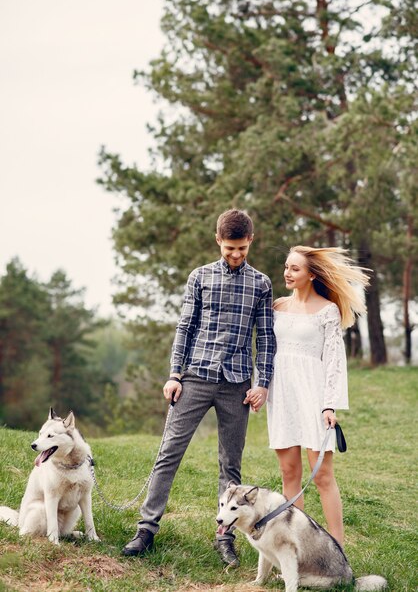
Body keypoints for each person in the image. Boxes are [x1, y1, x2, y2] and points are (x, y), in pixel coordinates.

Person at [123, 209, 275, 566]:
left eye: (241, 248)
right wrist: (174, 374)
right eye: (229, 249)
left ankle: (225, 537)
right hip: (195, 377)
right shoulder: (200, 277)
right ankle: (146, 529)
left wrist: (262, 383)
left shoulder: (262, 284)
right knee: (169, 453)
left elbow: (266, 337)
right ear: (218, 241)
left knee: (231, 466)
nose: (236, 255)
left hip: (236, 384)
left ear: (250, 240)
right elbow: (185, 328)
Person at [267, 245, 369, 547]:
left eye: (295, 268)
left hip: (313, 396)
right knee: (288, 473)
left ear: (311, 274)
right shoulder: (277, 306)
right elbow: (268, 352)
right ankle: (296, 547)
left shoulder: (327, 310)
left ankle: (338, 548)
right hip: (282, 396)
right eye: (286, 266)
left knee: (322, 476)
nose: (287, 272)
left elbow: (335, 361)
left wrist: (329, 405)